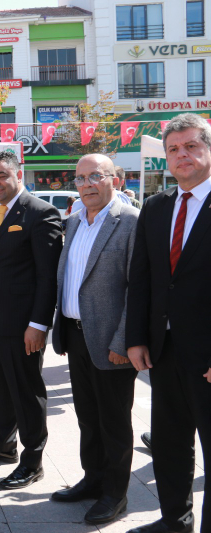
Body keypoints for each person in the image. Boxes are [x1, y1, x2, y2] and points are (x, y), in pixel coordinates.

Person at [126, 113, 211, 533]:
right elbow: (142, 277)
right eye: (174, 149)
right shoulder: (157, 208)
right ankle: (174, 520)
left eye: (192, 146)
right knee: (170, 442)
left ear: (208, 149)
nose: (183, 155)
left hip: (209, 353)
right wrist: (137, 337)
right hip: (164, 349)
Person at [50, 154, 140, 525]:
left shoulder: (131, 222)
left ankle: (115, 495)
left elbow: (139, 288)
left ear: (114, 180)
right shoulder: (73, 221)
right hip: (75, 335)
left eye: (95, 176)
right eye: (80, 178)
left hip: (110, 341)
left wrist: (123, 340)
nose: (86, 184)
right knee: (88, 417)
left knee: (114, 421)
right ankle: (93, 480)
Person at [0, 151, 62, 490]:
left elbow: (47, 276)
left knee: (26, 392)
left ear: (18, 175)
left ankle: (32, 461)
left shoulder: (41, 212)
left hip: (24, 327)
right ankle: (3, 444)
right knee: (0, 389)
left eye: (1, 176)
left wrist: (38, 325)